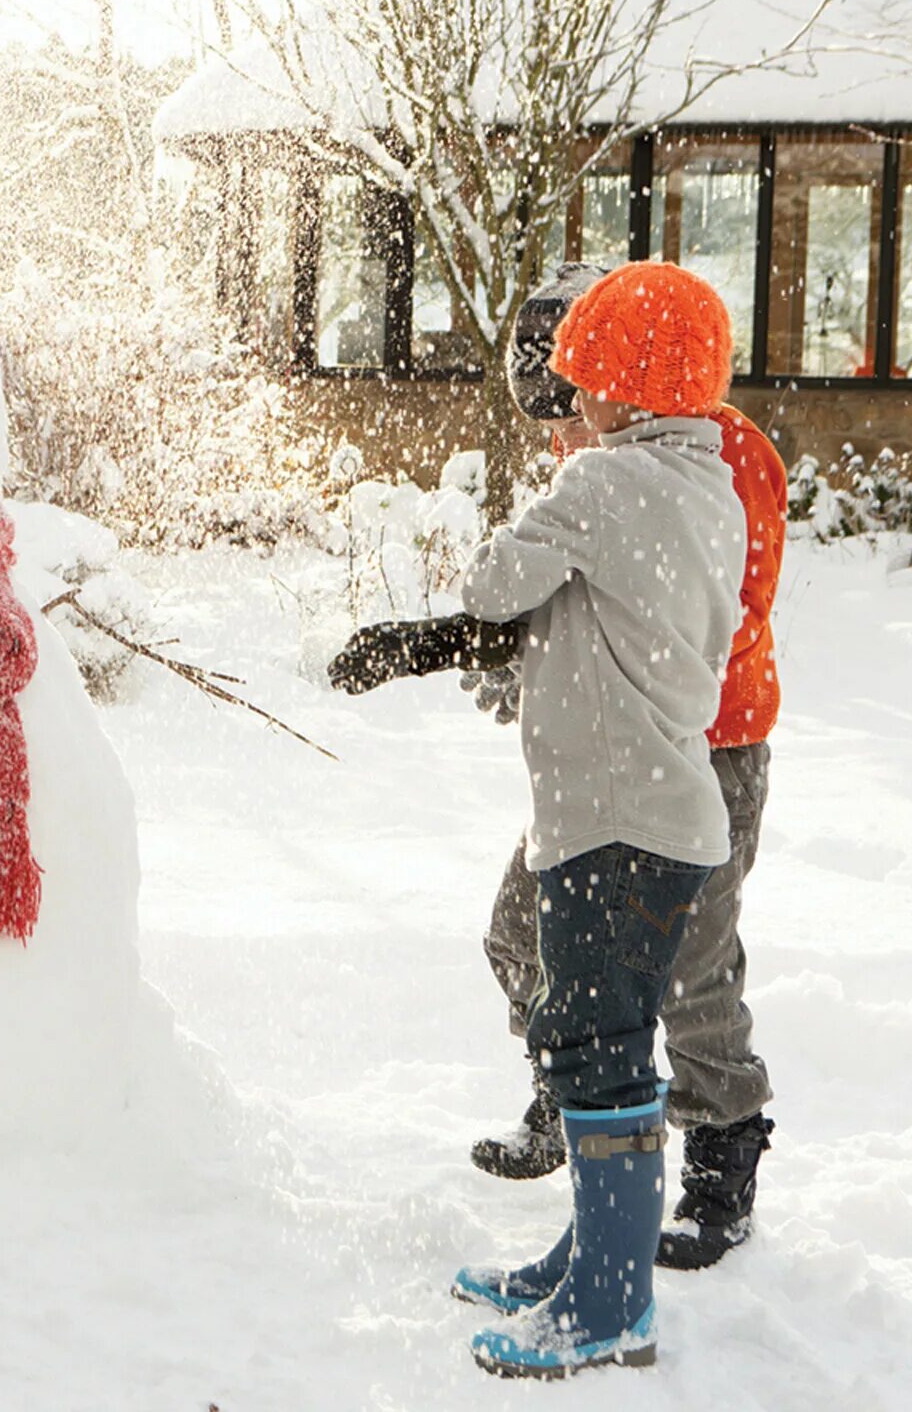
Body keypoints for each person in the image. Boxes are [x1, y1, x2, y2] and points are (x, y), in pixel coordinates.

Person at [331, 261, 786, 1271]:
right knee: (517, 931)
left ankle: (721, 1153)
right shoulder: (613, 457)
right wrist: (494, 649)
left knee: (690, 969)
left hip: (704, 750)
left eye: (574, 396)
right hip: (606, 768)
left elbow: (680, 613)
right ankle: (572, 1085)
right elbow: (570, 590)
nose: (560, 428)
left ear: (625, 383)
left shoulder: (714, 459)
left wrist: (564, 638)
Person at [444, 262, 746, 1378]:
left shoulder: (607, 486)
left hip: (610, 827)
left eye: (583, 385)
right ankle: (588, 1257)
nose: (570, 407)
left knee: (596, 1051)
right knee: (607, 1041)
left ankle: (612, 1302)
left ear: (625, 391)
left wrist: (549, 511)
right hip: (658, 823)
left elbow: (490, 583)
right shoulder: (705, 486)